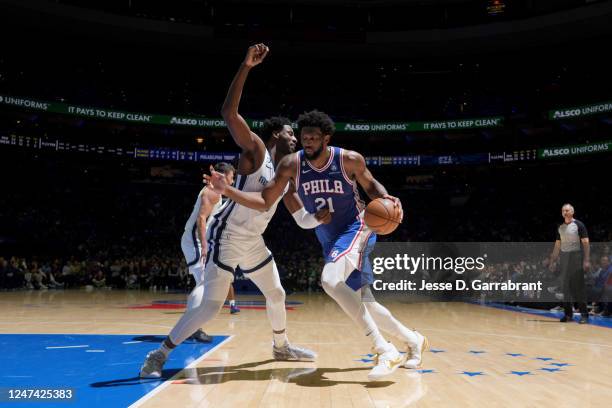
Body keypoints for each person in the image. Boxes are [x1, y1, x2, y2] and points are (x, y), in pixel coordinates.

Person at [207, 108, 428, 381]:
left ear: (326, 138)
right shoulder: (290, 165)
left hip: (356, 227)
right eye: (304, 137)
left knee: (329, 280)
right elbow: (265, 200)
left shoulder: (348, 159)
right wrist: (227, 191)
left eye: (313, 137)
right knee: (365, 303)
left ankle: (384, 349)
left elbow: (371, 187)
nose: (307, 141)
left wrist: (389, 198)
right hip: (329, 238)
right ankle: (414, 340)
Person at [140, 44, 315, 379]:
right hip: (227, 234)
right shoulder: (257, 151)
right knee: (210, 306)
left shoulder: (287, 176)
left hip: (253, 240)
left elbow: (301, 220)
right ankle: (158, 354)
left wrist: (322, 217)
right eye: (292, 133)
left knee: (276, 292)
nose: (296, 139)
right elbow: (228, 114)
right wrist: (246, 66)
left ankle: (281, 347)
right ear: (278, 134)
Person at [180, 161, 236, 343]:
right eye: (231, 177)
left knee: (205, 283)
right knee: (204, 283)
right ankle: (192, 328)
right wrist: (204, 245)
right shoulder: (210, 192)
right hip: (195, 240)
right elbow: (201, 219)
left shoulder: (217, 191)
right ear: (223, 176)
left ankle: (191, 326)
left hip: (199, 241)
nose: (233, 181)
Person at [549, 203, 590, 324]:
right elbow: (557, 245)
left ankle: (584, 316)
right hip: (564, 258)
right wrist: (553, 260)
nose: (564, 212)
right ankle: (568, 315)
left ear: (572, 212)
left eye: (567, 210)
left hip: (576, 257)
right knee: (565, 289)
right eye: (563, 210)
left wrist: (586, 260)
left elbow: (586, 243)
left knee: (578, 288)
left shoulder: (579, 225)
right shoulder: (560, 227)